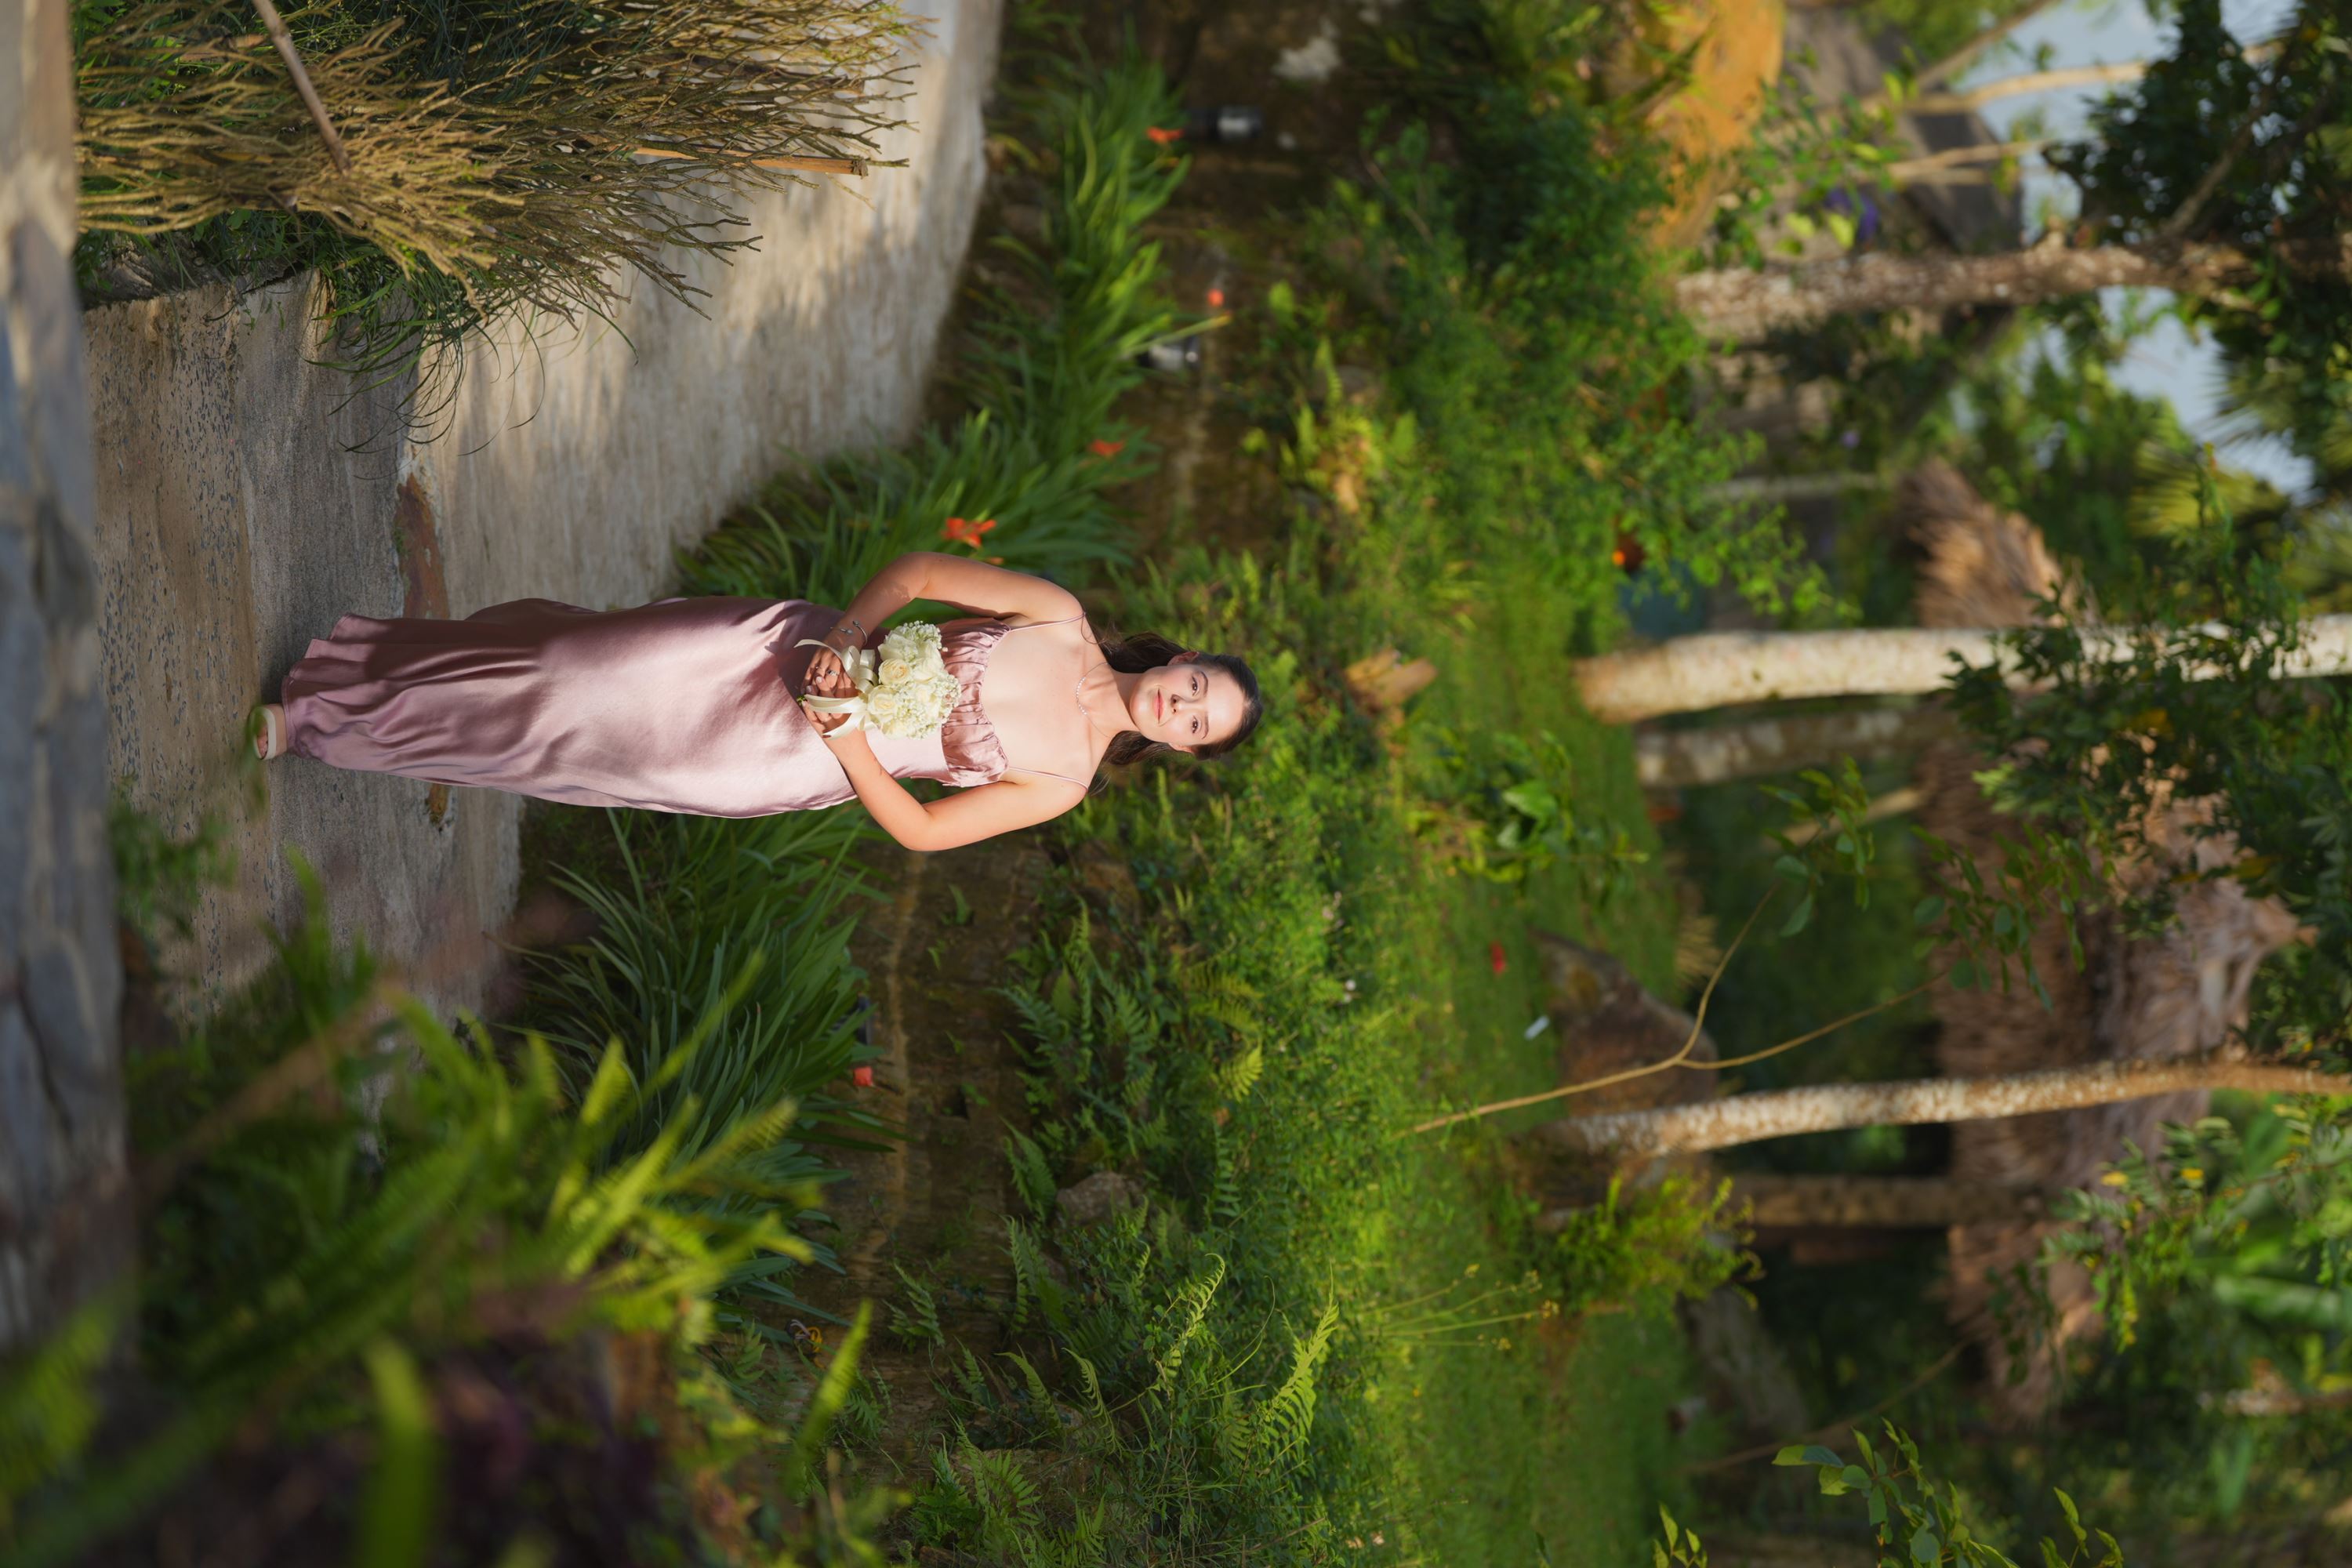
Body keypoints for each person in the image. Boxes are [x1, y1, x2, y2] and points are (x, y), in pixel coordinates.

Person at [250, 552, 1261, 851]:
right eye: (1198, 688)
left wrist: (849, 737)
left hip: (789, 756)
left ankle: (320, 722)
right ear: (1185, 659)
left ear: (1183, 750)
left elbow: (919, 830)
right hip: (786, 650)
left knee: (565, 743)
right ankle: (366, 672)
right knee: (566, 664)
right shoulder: (1058, 614)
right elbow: (917, 573)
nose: (1181, 708)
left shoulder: (1062, 783)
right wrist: (849, 642)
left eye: (1198, 725)